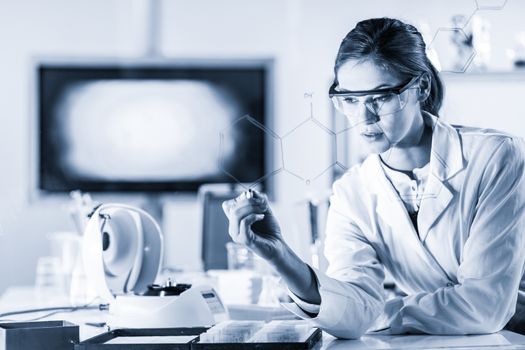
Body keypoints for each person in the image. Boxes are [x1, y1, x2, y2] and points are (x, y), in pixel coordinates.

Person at [222, 17, 525, 339]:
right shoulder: (352, 191)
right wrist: (279, 254)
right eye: (350, 100)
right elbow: (352, 310)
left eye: (380, 97)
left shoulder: (494, 156)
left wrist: (378, 312)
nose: (364, 118)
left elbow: (484, 306)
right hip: (445, 339)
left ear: (420, 87)